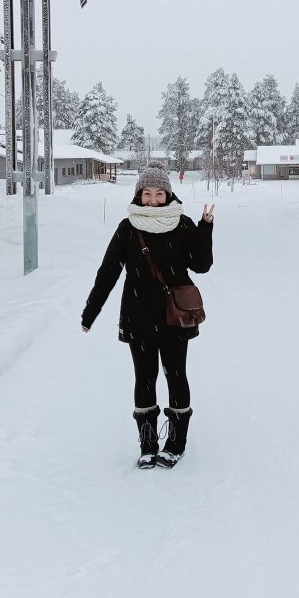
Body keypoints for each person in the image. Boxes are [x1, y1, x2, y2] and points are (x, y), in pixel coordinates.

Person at [81, 165, 214, 469]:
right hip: (138, 315)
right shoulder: (128, 228)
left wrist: (205, 227)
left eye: (159, 193)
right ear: (139, 195)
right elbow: (108, 273)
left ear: (168, 194)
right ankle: (148, 444)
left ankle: (176, 443)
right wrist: (90, 312)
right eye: (147, 193)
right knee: (145, 377)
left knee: (176, 375)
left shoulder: (182, 225)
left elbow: (201, 265)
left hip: (175, 317)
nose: (153, 199)